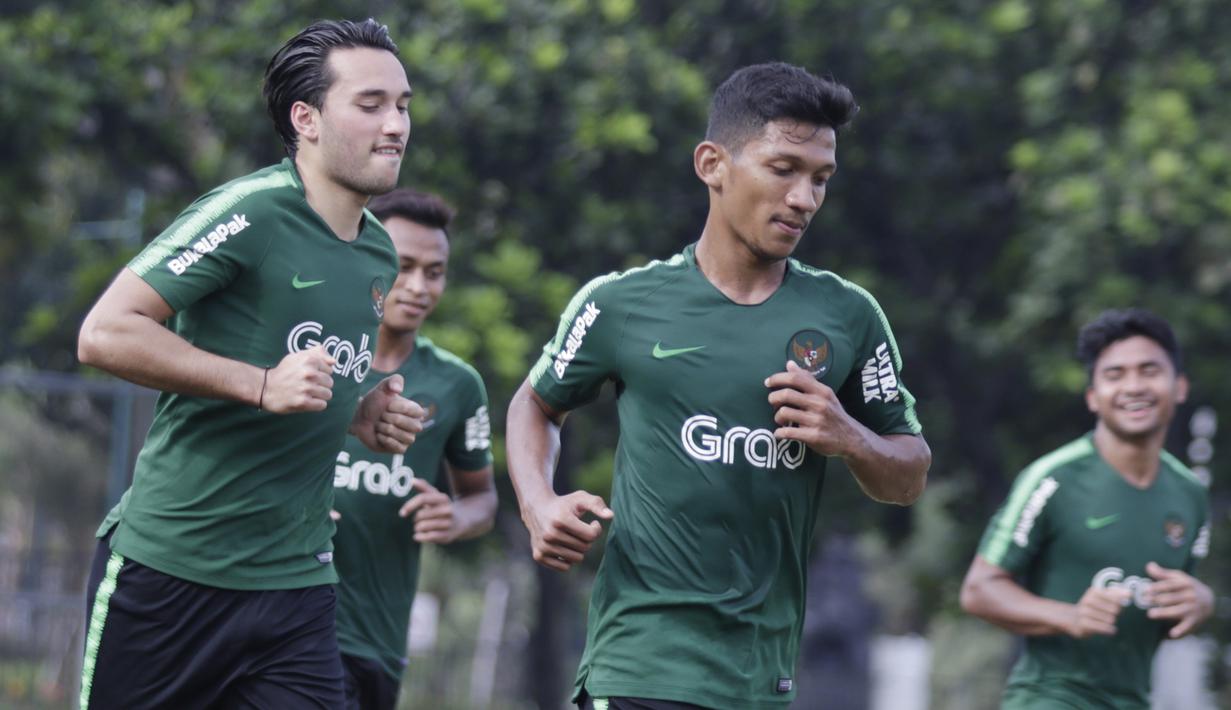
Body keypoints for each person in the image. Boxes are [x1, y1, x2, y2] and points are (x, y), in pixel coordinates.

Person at [506, 62, 931, 710]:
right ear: (712, 163)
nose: (804, 198)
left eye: (820, 178)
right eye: (783, 168)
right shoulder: (622, 304)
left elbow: (907, 475)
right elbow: (535, 404)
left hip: (759, 682)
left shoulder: (848, 316)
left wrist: (849, 439)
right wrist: (538, 502)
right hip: (637, 667)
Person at [75, 18, 425, 709]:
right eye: (370, 104)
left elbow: (303, 381)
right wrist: (259, 385)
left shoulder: (379, 252)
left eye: (404, 105)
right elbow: (105, 333)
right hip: (170, 574)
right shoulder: (251, 212)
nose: (396, 126)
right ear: (307, 119)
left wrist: (358, 413)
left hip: (294, 586)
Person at [960, 308, 1213, 709]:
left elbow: (1167, 617)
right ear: (1093, 397)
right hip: (1051, 698)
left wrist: (1201, 605)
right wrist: (1069, 616)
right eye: (1115, 375)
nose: (1134, 386)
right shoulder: (1051, 478)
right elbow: (979, 590)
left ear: (1179, 386)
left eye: (1149, 371)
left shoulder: (1190, 494)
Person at [331, 188, 498, 710]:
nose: (420, 286)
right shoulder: (309, 353)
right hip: (283, 619)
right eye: (403, 266)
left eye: (435, 271)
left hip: (375, 639)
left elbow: (483, 499)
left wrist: (454, 516)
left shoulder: (456, 385)